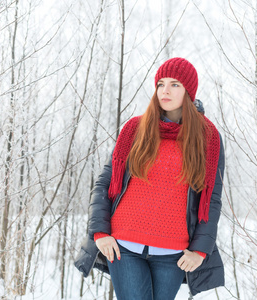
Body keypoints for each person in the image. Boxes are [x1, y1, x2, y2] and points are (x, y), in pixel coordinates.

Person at [74, 57, 225, 299]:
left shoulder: (207, 138)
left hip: (173, 253)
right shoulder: (135, 129)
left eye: (175, 84)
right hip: (124, 246)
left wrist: (200, 250)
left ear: (189, 91)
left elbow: (211, 197)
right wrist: (100, 233)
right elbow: (106, 183)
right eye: (160, 84)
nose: (165, 91)